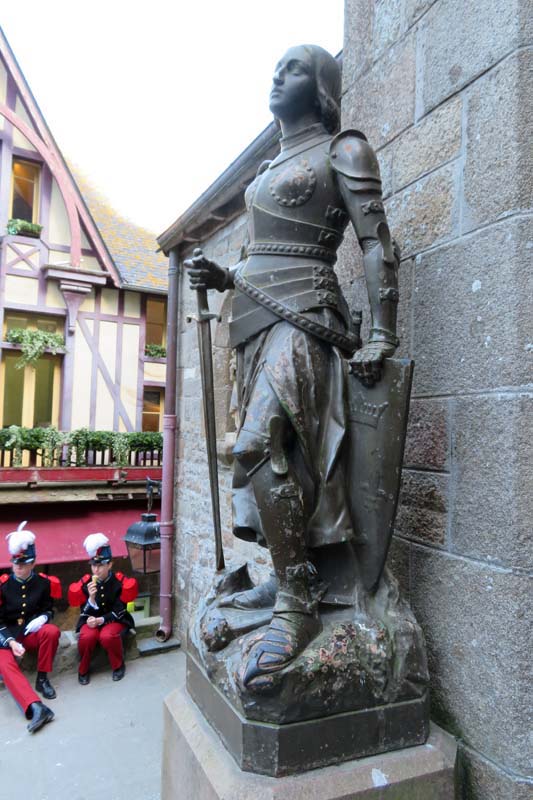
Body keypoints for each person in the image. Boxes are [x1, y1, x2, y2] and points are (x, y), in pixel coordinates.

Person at [185, 45, 400, 688]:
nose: (278, 75)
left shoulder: (343, 149)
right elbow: (264, 249)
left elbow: (376, 244)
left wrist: (382, 334)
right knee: (273, 462)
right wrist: (225, 276)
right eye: (276, 66)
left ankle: (298, 606)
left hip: (309, 315)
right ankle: (284, 578)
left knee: (262, 443)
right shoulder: (271, 163)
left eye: (296, 67)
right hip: (252, 319)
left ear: (323, 86)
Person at [0, 522, 61, 733]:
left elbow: (49, 609)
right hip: (9, 636)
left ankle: (42, 679)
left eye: (23, 563)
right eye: (15, 562)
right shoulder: (3, 585)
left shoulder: (43, 583)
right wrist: (9, 641)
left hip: (32, 633)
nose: (17, 566)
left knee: (52, 631)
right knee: (2, 660)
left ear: (33, 562)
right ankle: (36, 707)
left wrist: (44, 617)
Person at [68, 534, 137, 684]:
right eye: (93, 565)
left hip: (114, 619)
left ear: (110, 565)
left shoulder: (119, 581)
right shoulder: (86, 583)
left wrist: (102, 620)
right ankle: (83, 669)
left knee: (107, 636)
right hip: (90, 620)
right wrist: (91, 599)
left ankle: (118, 666)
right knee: (87, 637)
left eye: (100, 566)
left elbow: (120, 610)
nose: (96, 570)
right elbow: (84, 613)